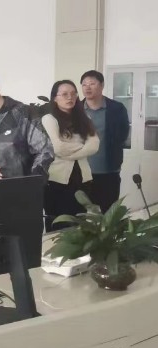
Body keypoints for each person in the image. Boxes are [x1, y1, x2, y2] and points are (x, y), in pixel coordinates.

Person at [42, 80, 99, 231]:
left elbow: (94, 146)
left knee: (79, 225)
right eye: (65, 94)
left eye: (73, 94)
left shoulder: (85, 119)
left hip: (83, 179)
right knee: (57, 226)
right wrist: (83, 146)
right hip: (57, 182)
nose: (70, 97)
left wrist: (71, 152)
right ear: (55, 98)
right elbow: (58, 148)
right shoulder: (49, 119)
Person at [80, 70, 130, 213]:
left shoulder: (116, 109)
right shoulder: (76, 110)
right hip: (82, 174)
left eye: (92, 83)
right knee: (82, 216)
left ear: (102, 85)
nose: (87, 87)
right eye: (84, 84)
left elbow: (123, 133)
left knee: (108, 215)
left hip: (109, 171)